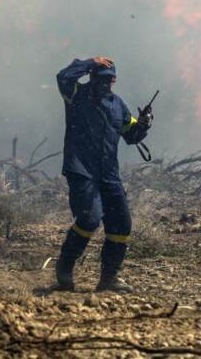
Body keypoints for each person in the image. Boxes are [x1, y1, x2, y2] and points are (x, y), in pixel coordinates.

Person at [53, 56, 152, 293]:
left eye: (108, 80)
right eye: (99, 79)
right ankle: (65, 267)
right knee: (89, 219)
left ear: (114, 81)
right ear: (91, 77)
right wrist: (89, 61)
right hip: (82, 170)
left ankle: (109, 279)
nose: (103, 84)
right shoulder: (77, 94)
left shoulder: (118, 105)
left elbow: (131, 136)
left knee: (121, 224)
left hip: (109, 174)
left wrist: (144, 124)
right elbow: (63, 77)